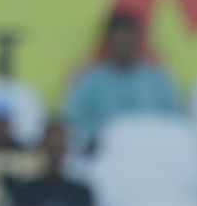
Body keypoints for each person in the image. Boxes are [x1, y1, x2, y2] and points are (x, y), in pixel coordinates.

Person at [64, 11, 180, 151]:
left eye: (129, 43)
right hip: (104, 152)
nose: (125, 48)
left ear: (138, 42)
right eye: (120, 42)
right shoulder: (90, 79)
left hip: (151, 151)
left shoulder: (157, 80)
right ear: (109, 42)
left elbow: (173, 122)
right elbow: (72, 120)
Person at [7, 120, 95, 206]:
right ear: (42, 148)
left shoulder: (82, 192)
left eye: (60, 148)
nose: (55, 155)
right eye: (51, 147)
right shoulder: (24, 191)